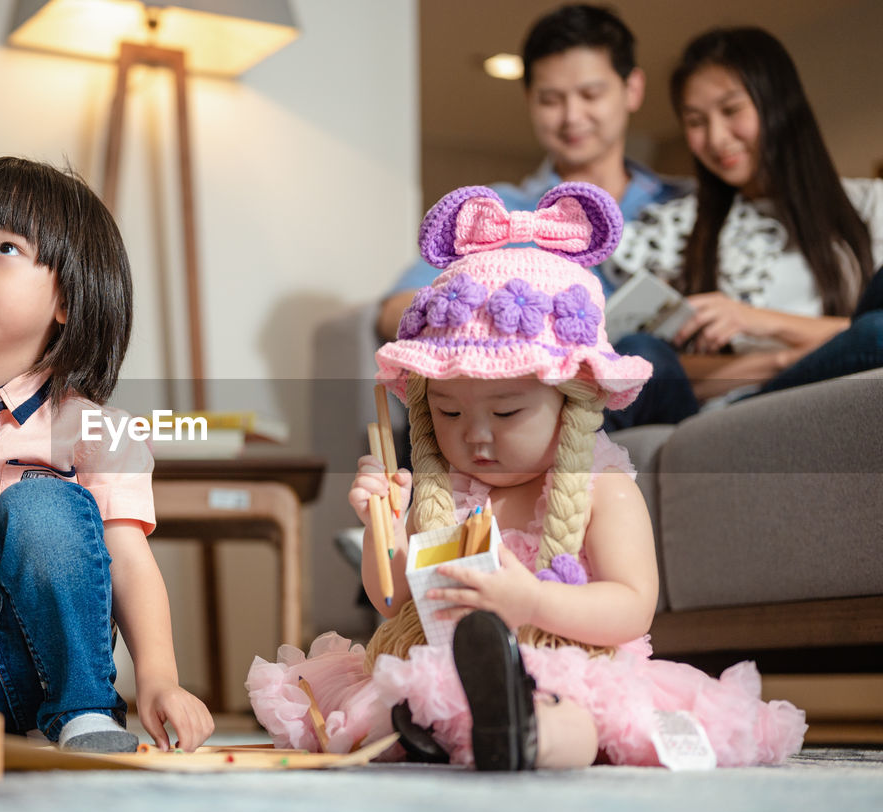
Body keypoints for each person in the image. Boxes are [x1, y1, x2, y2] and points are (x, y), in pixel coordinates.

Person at [248, 184, 806, 769]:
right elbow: (391, 603)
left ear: (574, 400)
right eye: (449, 412)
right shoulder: (449, 491)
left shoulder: (602, 486)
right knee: (381, 705)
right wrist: (378, 524)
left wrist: (533, 600)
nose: (475, 435)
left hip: (571, 665)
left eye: (507, 411)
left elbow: (632, 607)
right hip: (443, 661)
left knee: (577, 721)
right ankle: (444, 728)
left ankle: (520, 733)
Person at [0, 157, 213, 753]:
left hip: (52, 651)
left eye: (4, 249)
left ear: (67, 301)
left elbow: (128, 561)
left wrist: (159, 679)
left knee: (40, 505)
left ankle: (84, 713)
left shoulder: (97, 427)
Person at [604, 27, 883, 429]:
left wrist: (758, 321)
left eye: (731, 110)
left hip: (836, 378)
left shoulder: (868, 206)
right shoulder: (680, 227)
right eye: (696, 121)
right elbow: (663, 369)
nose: (717, 139)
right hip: (735, 407)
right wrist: (778, 359)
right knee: (636, 355)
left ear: (777, 102)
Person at [377, 3, 685, 343]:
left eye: (590, 94)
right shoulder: (495, 212)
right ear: (529, 99)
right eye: (550, 99)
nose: (571, 116)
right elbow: (397, 310)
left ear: (633, 89)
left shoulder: (684, 205)